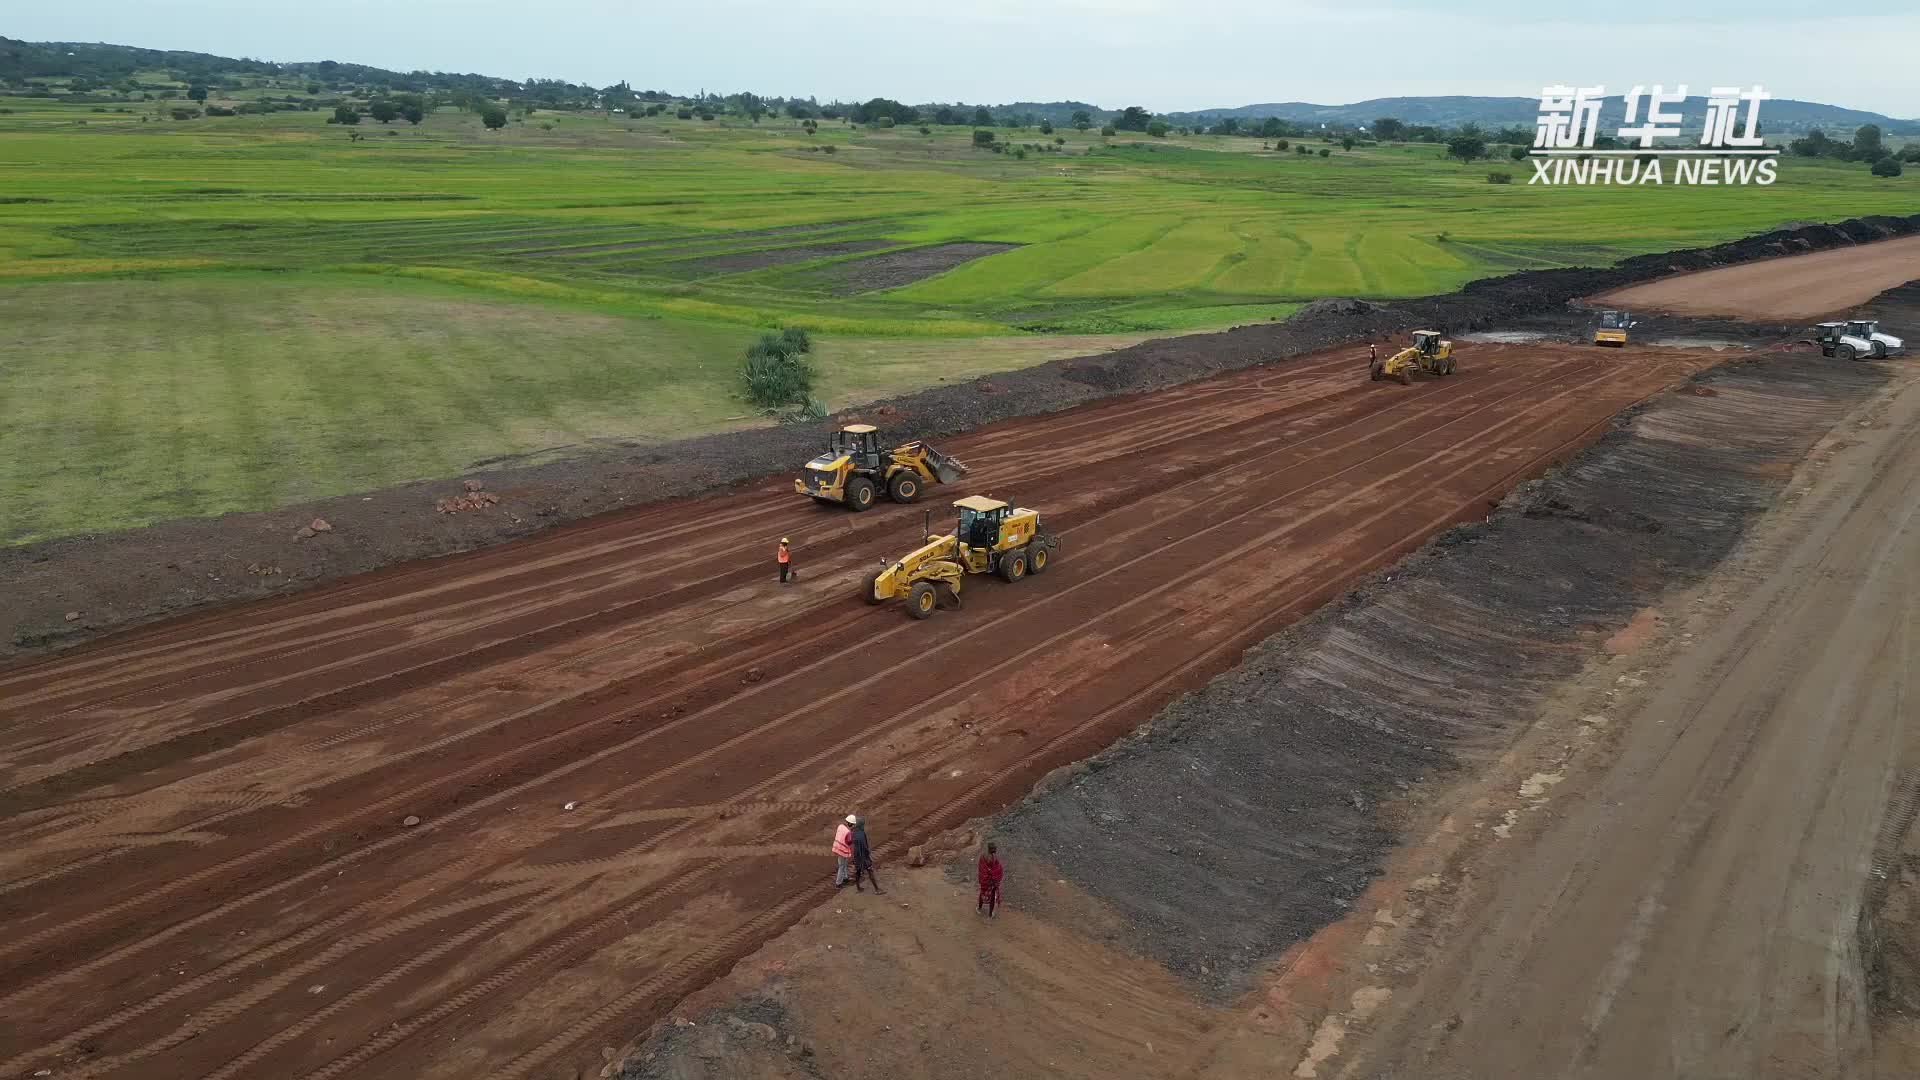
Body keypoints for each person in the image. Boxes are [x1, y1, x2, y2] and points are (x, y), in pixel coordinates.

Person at [851, 816, 882, 893]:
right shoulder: (861, 834)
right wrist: (868, 852)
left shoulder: (854, 832)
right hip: (863, 857)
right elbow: (864, 847)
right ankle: (877, 890)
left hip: (857, 856)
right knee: (870, 871)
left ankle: (858, 888)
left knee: (858, 871)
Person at [977, 842, 1004, 917]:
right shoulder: (991, 857)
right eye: (994, 849)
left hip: (985, 879)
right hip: (991, 880)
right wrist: (995, 876)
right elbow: (993, 869)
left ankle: (979, 908)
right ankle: (990, 914)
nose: (995, 850)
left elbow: (982, 868)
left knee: (982, 892)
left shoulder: (983, 856)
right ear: (990, 849)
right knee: (992, 896)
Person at [832, 814, 855, 887]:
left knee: (844, 864)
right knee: (842, 866)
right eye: (853, 824)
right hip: (842, 850)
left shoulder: (840, 826)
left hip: (837, 848)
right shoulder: (848, 832)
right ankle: (838, 883)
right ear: (850, 824)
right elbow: (849, 842)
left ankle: (845, 877)